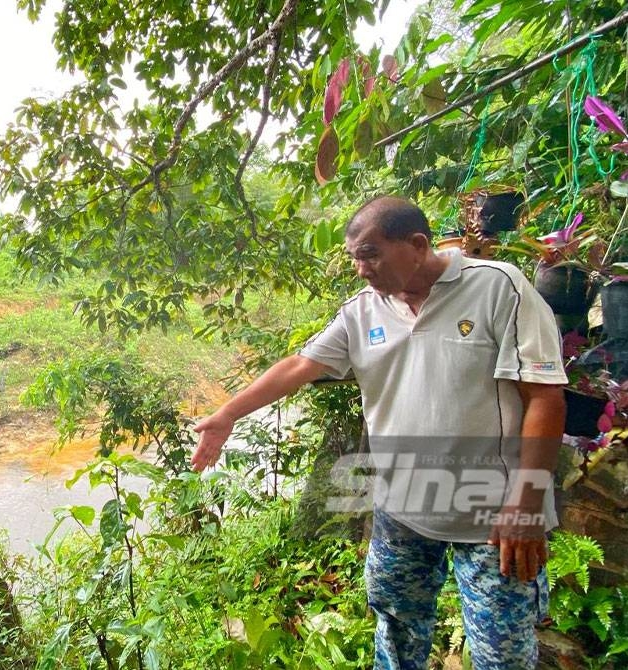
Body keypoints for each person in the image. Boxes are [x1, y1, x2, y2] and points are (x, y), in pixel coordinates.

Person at [191, 196, 567, 670]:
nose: (360, 268)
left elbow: (545, 397)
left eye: (369, 254)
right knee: (395, 632)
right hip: (402, 506)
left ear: (416, 245)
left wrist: (526, 504)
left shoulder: (498, 287)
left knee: (503, 655)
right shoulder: (362, 311)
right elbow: (301, 365)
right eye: (354, 257)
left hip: (493, 513)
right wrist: (229, 414)